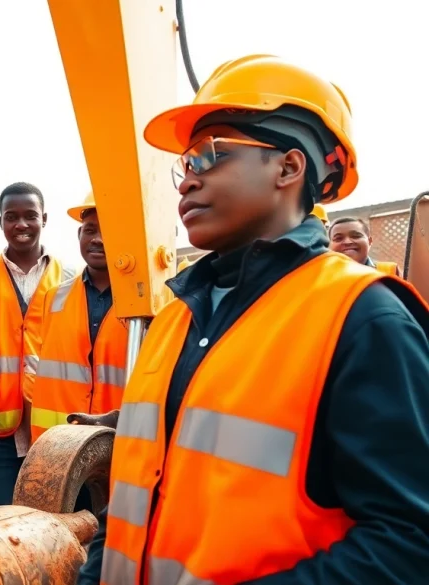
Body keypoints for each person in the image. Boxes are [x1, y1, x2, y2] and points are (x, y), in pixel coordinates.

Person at [78, 55, 429, 585]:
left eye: (209, 156)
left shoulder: (362, 317)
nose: (185, 181)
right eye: (185, 164)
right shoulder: (174, 319)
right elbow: (138, 497)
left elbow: (409, 543)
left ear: (289, 167)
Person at [0, 182, 75, 507]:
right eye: (12, 216)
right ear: (1, 222)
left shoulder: (70, 276)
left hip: (54, 428)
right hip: (0, 428)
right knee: (5, 522)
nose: (21, 224)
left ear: (45, 219)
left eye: (30, 216)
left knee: (55, 524)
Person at [29, 191, 129, 444]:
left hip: (120, 445)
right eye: (90, 230)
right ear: (79, 235)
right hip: (58, 447)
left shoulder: (148, 303)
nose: (98, 239)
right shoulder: (53, 298)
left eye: (110, 230)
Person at [329, 216, 401, 276]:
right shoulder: (323, 278)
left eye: (355, 236)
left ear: (369, 241)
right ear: (329, 246)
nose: (347, 242)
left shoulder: (390, 271)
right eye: (338, 238)